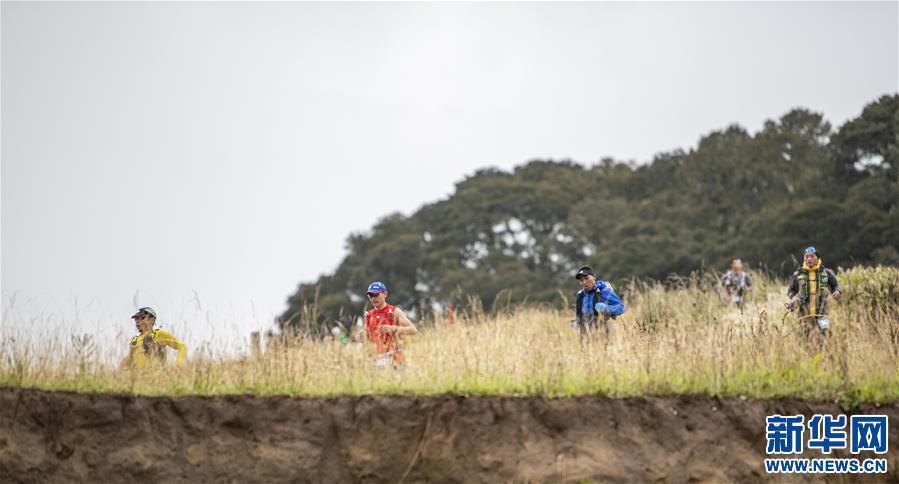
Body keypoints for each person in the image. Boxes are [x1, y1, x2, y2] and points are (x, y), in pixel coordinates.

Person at [786, 247, 842, 336]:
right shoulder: (798, 274)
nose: (809, 259)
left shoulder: (826, 273)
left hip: (823, 314)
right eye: (806, 256)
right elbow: (790, 290)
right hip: (804, 315)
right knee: (805, 339)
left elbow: (836, 286)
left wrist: (837, 292)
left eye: (812, 256)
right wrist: (794, 298)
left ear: (818, 258)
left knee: (825, 336)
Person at [363, 282, 417, 367]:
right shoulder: (369, 315)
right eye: (370, 295)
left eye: (376, 294)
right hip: (377, 359)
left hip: (395, 358)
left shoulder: (395, 311)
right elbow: (367, 339)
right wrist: (364, 337)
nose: (373, 298)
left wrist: (395, 329)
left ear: (385, 294)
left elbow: (413, 330)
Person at [574, 266, 626, 339]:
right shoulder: (580, 295)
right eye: (581, 280)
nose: (584, 282)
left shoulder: (604, 291)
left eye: (586, 278)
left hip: (603, 334)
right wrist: (576, 321)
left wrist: (607, 308)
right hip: (584, 337)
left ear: (594, 277)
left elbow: (622, 307)